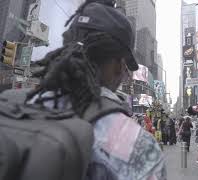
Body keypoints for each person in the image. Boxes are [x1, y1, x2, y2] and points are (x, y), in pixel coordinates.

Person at [26, 1, 166, 179]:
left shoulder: (20, 106)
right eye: (126, 67)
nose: (126, 73)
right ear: (119, 66)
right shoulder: (137, 146)